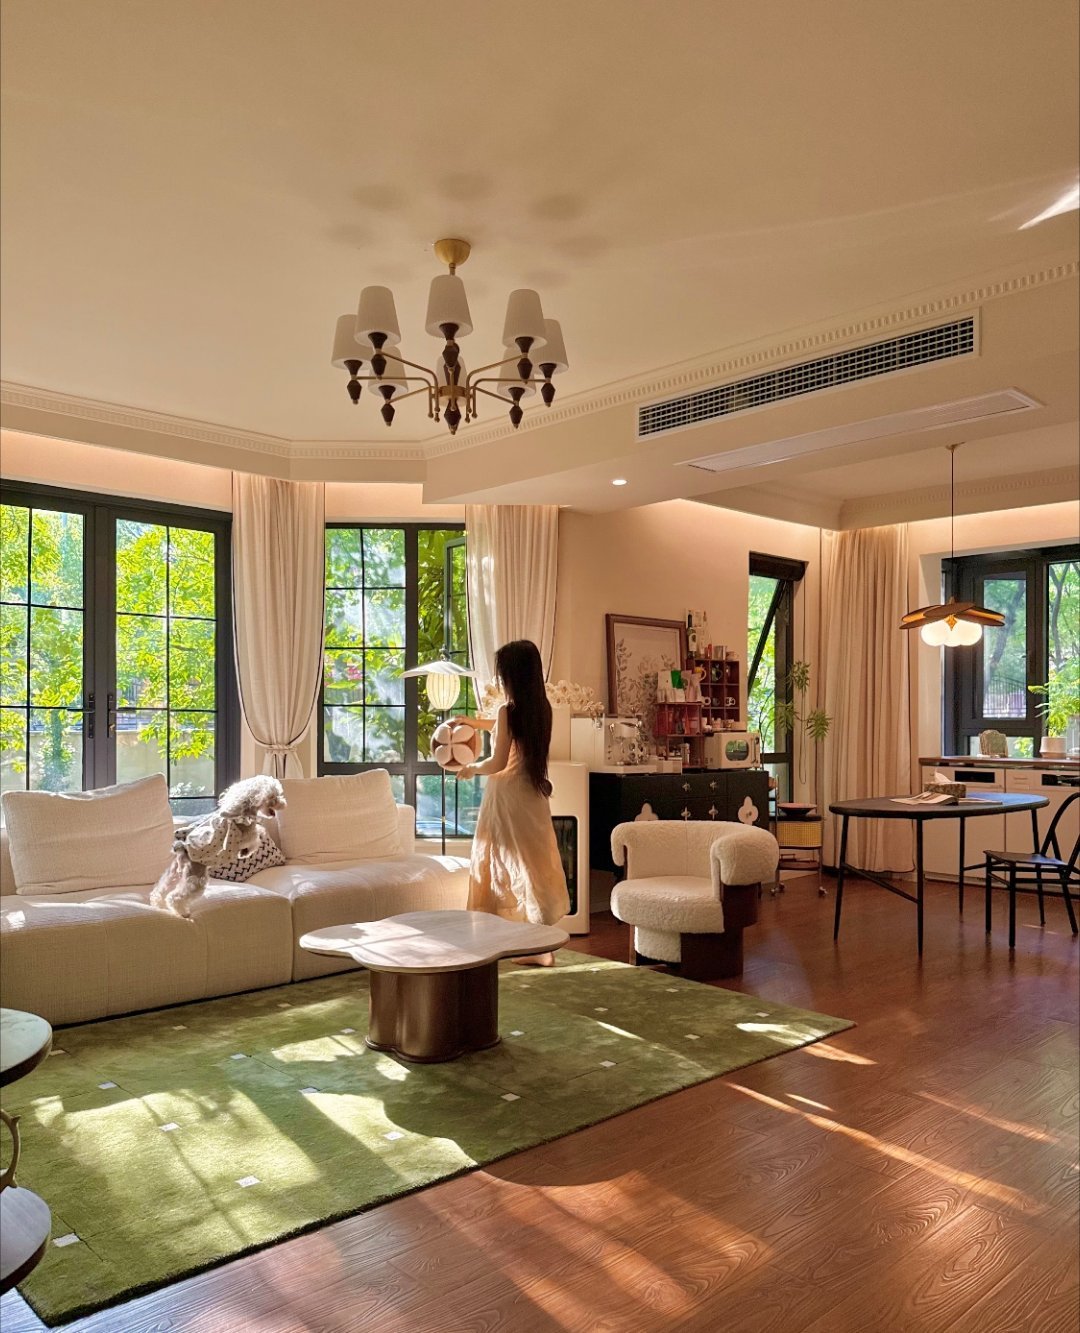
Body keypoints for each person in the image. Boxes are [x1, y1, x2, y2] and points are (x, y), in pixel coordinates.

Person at [455, 639, 569, 964]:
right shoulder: (541, 710)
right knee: (533, 867)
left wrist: (471, 768)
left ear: (512, 676)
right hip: (532, 796)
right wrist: (474, 723)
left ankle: (517, 943)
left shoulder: (508, 711)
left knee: (501, 866)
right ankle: (539, 944)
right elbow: (506, 730)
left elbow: (497, 762)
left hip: (506, 797)